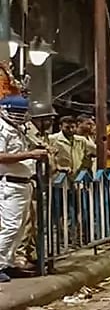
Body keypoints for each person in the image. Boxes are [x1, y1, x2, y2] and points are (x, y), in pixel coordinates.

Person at [0, 97, 46, 283]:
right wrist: (30, 155)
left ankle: (8, 263)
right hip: (9, 184)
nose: (22, 116)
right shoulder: (2, 129)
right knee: (10, 226)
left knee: (19, 229)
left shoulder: (18, 129)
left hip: (23, 183)